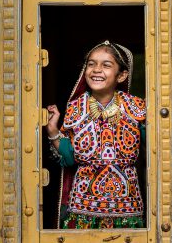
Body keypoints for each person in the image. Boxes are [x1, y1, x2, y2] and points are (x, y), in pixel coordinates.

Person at [46, 40, 146, 229]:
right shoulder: (76, 108)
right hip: (83, 210)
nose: (96, 70)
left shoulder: (137, 108)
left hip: (127, 210)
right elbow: (69, 158)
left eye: (106, 65)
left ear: (122, 75)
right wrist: (53, 130)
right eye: (91, 64)